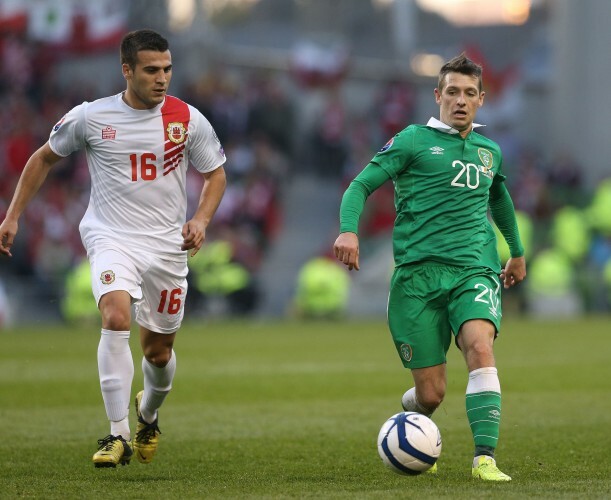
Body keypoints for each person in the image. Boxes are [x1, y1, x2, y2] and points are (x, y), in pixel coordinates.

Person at [0, 29, 227, 468]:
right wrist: (12, 216)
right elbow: (42, 158)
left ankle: (149, 413)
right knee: (115, 316)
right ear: (127, 70)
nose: (162, 79)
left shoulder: (186, 118)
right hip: (110, 235)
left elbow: (215, 172)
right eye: (151, 70)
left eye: (167, 69)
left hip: (166, 246)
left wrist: (200, 220)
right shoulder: (90, 117)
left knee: (157, 354)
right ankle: (116, 434)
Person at [333, 53, 526, 481]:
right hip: (417, 279)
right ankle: (412, 414)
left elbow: (499, 198)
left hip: (473, 268)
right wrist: (349, 231)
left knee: (480, 346)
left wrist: (515, 250)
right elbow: (360, 185)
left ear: (481, 100)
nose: (461, 100)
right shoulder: (412, 141)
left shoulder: (489, 151)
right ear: (437, 95)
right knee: (432, 394)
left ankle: (484, 460)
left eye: (470, 94)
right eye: (452, 92)